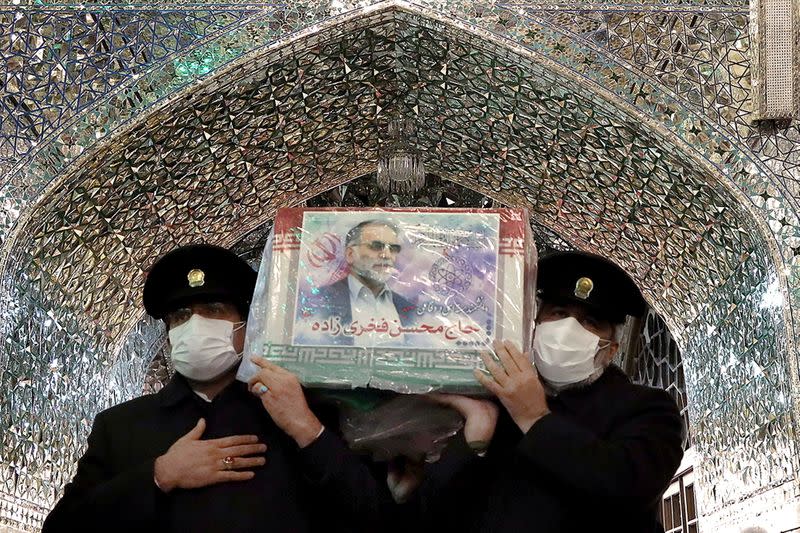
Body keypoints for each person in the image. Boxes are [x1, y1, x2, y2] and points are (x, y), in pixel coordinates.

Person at [43, 244, 394, 533]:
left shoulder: (304, 409)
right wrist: (159, 475)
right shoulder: (121, 427)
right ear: (167, 335)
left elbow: (378, 519)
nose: (194, 324)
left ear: (246, 325)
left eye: (213, 309)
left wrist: (307, 430)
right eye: (180, 316)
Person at [419, 250, 685, 533]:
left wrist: (534, 418)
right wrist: (477, 436)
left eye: (590, 322)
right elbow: (438, 508)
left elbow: (628, 488)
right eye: (559, 313)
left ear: (611, 350)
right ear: (534, 325)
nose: (568, 328)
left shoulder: (648, 408)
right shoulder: (489, 397)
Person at [304, 219, 416, 346]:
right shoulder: (319, 301)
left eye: (393, 249)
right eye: (376, 246)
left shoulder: (408, 309)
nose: (387, 255)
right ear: (350, 254)